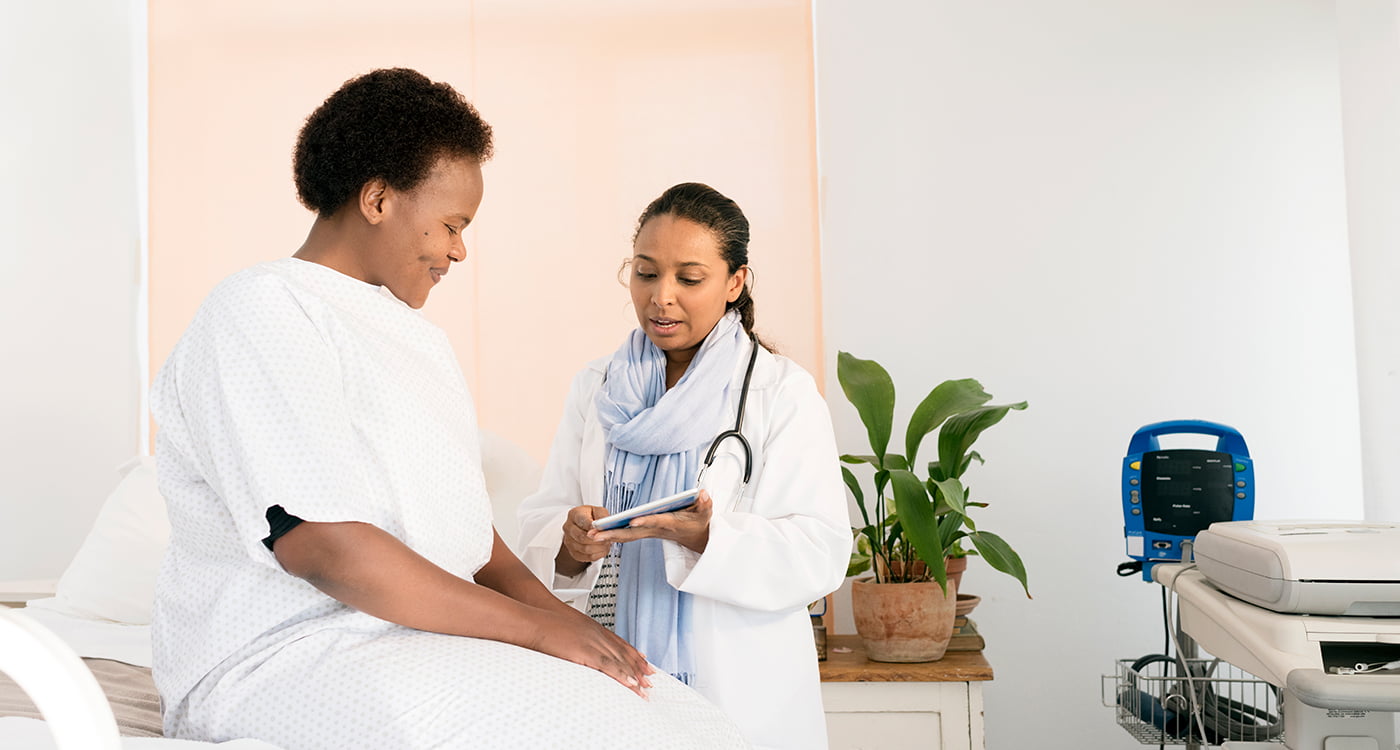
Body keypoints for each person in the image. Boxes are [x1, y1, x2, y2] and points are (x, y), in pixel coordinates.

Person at [149, 69, 747, 750]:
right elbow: (322, 546)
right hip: (284, 653)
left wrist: (573, 627)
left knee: (680, 716)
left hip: (415, 639)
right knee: (610, 732)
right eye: (451, 225)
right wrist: (538, 630)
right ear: (377, 198)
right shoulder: (263, 308)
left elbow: (470, 539)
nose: (460, 249)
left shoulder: (419, 343)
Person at [517, 183, 850, 750]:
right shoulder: (597, 386)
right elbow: (543, 521)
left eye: (688, 279)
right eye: (646, 273)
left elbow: (821, 551)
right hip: (612, 673)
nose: (661, 297)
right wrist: (571, 545)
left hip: (741, 689)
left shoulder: (780, 392)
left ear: (735, 282)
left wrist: (707, 537)